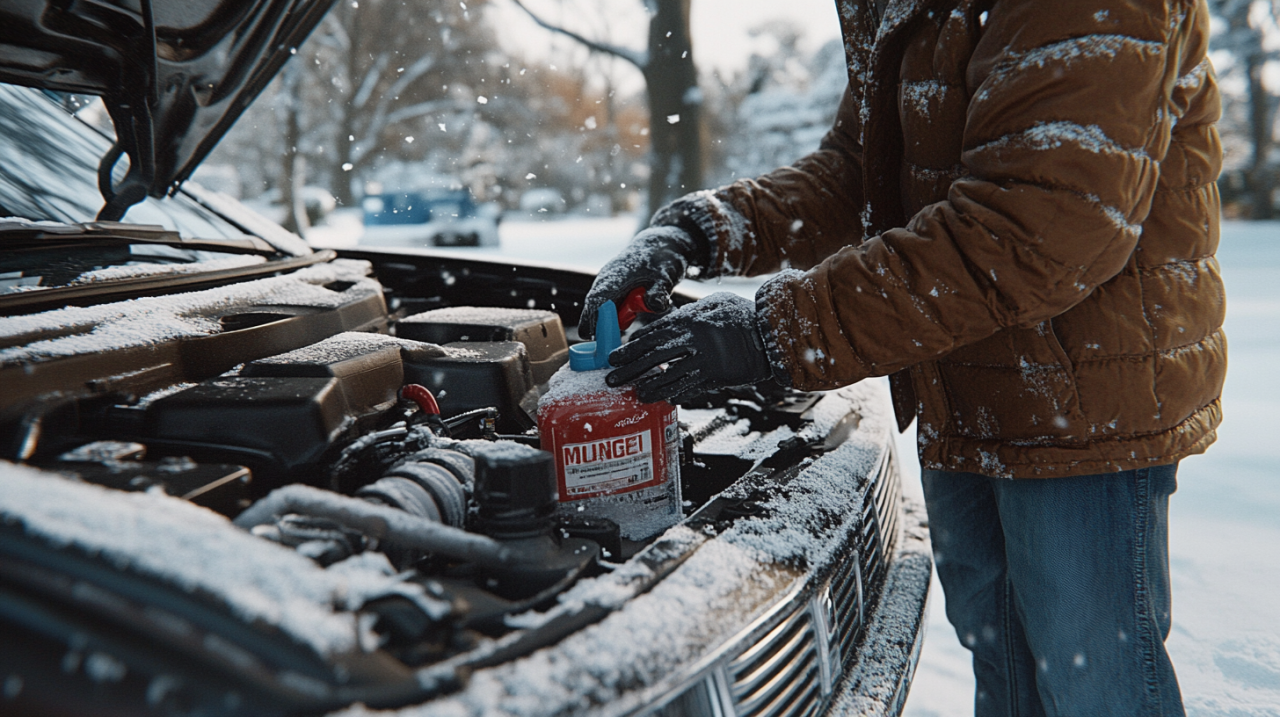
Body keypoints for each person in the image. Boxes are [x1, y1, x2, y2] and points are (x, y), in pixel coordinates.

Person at [581, 1, 1224, 715]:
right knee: (1008, 676)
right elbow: (862, 169)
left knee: (1094, 684)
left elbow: (1037, 228)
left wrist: (772, 334)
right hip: (962, 386)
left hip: (1083, 411)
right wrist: (703, 231)